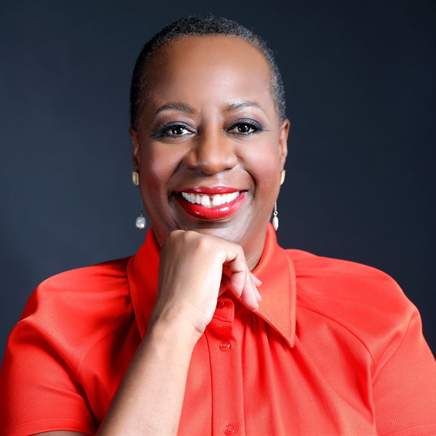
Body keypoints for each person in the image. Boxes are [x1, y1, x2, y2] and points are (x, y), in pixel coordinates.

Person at [1, 15, 435, 436]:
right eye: (176, 130)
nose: (210, 159)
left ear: (281, 146)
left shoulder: (377, 314)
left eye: (243, 126)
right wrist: (174, 323)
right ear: (137, 152)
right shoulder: (57, 323)